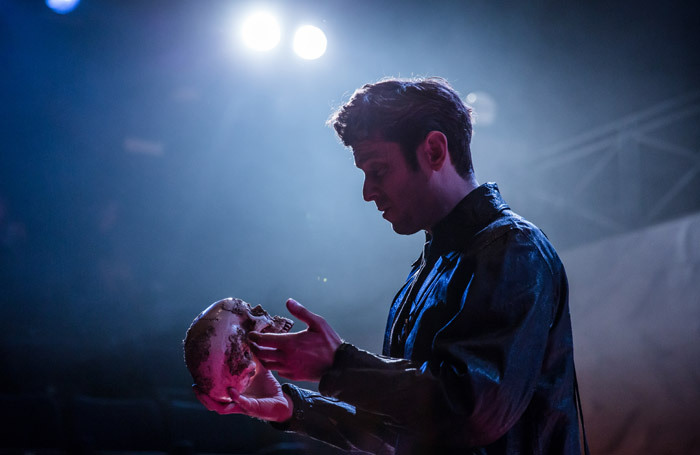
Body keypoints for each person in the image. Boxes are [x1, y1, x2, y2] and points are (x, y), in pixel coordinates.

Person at [195, 77, 584, 454]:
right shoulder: (426, 271)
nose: (367, 192)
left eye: (378, 170)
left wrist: (337, 365)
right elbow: (399, 430)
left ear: (433, 151)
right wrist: (295, 408)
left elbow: (473, 411)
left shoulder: (514, 249)